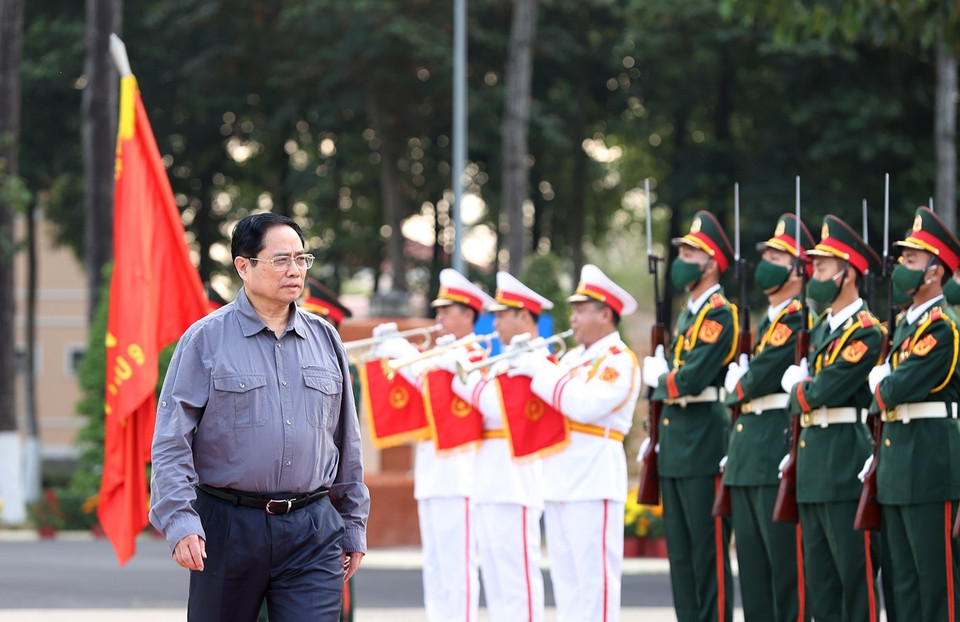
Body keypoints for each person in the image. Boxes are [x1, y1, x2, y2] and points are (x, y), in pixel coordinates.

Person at [149, 213, 369, 621]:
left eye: (302, 259)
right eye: (281, 260)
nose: (295, 270)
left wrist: (353, 521)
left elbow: (346, 441)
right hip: (228, 527)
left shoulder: (326, 340)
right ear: (243, 266)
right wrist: (180, 520)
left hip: (312, 529)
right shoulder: (205, 340)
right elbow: (171, 440)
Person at [510, 263, 640, 622]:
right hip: (559, 480)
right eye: (574, 309)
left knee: (594, 585)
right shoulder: (569, 358)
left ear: (606, 314)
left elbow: (583, 405)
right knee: (566, 585)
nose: (574, 317)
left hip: (593, 480)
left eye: (582, 309)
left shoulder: (619, 360)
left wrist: (540, 369)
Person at [374, 268, 493, 622]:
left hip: (461, 477)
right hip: (433, 474)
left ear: (468, 314)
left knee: (458, 568)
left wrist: (401, 352)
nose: (437, 317)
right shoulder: (441, 353)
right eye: (438, 310)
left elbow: (433, 386)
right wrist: (393, 353)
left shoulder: (475, 354)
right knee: (436, 567)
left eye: (446, 310)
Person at [780, 214, 882, 622]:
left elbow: (824, 390)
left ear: (848, 274)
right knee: (818, 583)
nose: (814, 275)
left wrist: (796, 390)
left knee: (854, 580)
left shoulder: (866, 331)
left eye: (822, 267)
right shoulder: (820, 328)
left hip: (843, 461)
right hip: (813, 463)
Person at [642, 211, 736, 622]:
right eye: (680, 249)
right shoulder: (688, 315)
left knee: (707, 553)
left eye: (690, 252)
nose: (681, 258)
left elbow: (693, 377)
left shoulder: (719, 313)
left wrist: (660, 378)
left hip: (703, 440)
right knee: (680, 556)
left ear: (711, 262)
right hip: (677, 443)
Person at [867, 206, 960, 620]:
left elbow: (892, 391)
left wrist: (880, 383)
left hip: (928, 463)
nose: (902, 269)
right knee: (900, 583)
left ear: (936, 271)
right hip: (897, 463)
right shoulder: (903, 326)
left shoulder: (941, 327)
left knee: (935, 583)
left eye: (911, 260)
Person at [723, 214, 813, 622]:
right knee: (754, 578)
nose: (767, 263)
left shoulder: (795, 318)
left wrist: (740, 383)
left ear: (799, 270)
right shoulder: (769, 320)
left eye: (779, 256)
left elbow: (755, 382)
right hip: (748, 453)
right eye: (767, 254)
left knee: (784, 575)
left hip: (771, 450)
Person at [449, 271, 550, 622]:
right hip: (490, 481)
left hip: (515, 483)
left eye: (502, 314)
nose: (495, 322)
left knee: (517, 583)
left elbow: (497, 408)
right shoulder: (506, 360)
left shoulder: (535, 359)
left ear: (524, 316)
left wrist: (464, 377)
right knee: (496, 582)